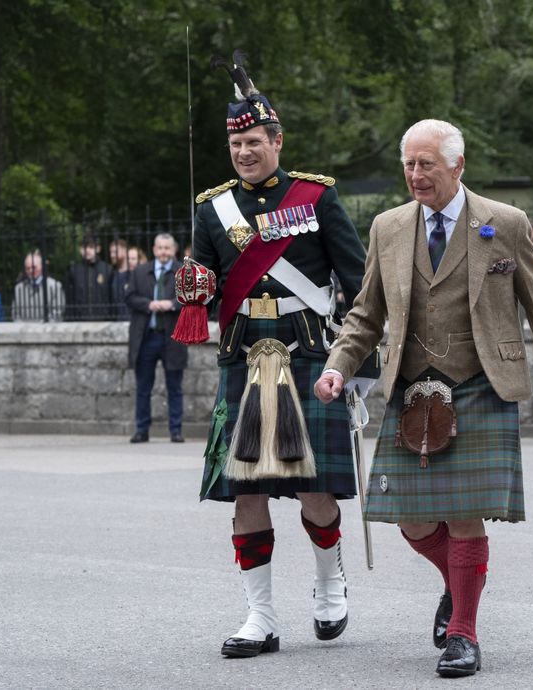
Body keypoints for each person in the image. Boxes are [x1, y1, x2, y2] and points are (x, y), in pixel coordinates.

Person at [314, 119, 533, 678]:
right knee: (410, 520)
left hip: (481, 381)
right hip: (412, 385)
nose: (415, 175)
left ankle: (464, 634)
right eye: (408, 164)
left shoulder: (504, 224)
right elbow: (366, 313)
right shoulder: (388, 227)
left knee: (464, 517)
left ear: (458, 165)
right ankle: (460, 586)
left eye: (426, 164)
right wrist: (339, 366)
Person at [194, 54, 372, 660]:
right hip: (244, 360)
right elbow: (207, 288)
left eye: (254, 141)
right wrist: (193, 290)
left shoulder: (316, 198)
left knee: (314, 491)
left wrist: (359, 368)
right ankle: (260, 617)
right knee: (245, 493)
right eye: (237, 143)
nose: (244, 152)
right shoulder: (211, 210)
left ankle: (330, 586)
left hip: (307, 356)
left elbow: (360, 285)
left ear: (276, 140)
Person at [124, 233, 187, 443]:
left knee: (174, 386)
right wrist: (149, 304)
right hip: (146, 337)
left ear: (174, 250)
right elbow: (130, 297)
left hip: (173, 336)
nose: (163, 252)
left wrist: (172, 304)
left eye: (167, 248)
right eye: (160, 248)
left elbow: (192, 297)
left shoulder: (183, 272)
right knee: (143, 386)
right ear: (153, 249)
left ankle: (176, 430)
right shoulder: (140, 272)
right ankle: (142, 429)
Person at [65, 233, 112, 320]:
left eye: (91, 247)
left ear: (98, 249)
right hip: (79, 319)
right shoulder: (73, 270)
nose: (87, 250)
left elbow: (111, 296)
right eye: (84, 247)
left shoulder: (107, 269)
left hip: (103, 319)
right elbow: (69, 298)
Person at [12, 251, 65, 322]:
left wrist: (40, 327)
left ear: (42, 266)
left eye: (34, 267)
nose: (31, 270)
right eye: (28, 268)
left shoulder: (55, 286)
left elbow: (57, 313)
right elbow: (15, 314)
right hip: (24, 331)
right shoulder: (19, 288)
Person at [109, 237, 130, 321]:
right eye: (111, 252)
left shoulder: (134, 274)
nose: (112, 255)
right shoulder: (112, 274)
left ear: (125, 251)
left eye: (115, 252)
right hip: (117, 319)